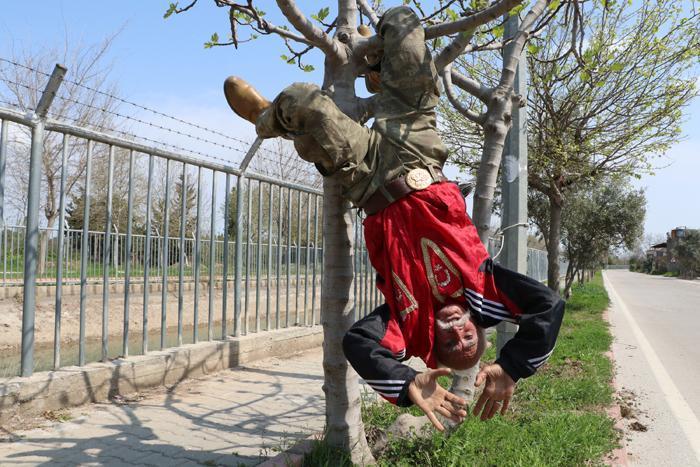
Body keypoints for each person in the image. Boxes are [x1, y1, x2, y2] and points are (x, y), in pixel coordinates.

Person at [223, 6, 564, 431]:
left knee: (303, 102)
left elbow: (358, 342)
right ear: (479, 326)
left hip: (368, 177)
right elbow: (548, 306)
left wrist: (407, 386)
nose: (458, 330)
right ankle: (380, 66)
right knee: (402, 22)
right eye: (469, 337)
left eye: (450, 341)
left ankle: (265, 117)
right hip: (419, 148)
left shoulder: (407, 326)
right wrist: (512, 368)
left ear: (432, 345)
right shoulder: (487, 292)